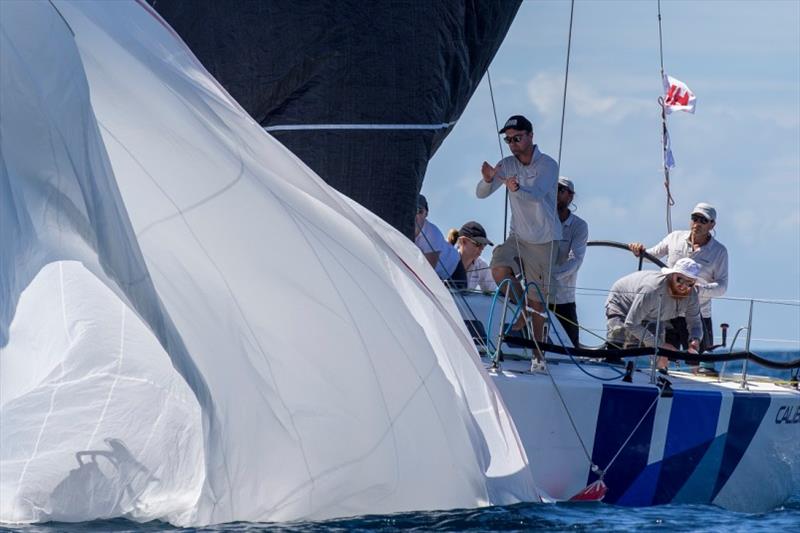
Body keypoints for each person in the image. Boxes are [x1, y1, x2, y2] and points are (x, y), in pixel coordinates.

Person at [476, 115, 561, 345]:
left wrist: (515, 187)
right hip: (518, 236)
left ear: (531, 136)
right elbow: (481, 193)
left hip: (544, 240)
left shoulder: (548, 165)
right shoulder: (507, 164)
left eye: (517, 138)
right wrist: (487, 179)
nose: (512, 143)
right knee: (498, 269)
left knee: (537, 302)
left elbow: (535, 195)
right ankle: (522, 312)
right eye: (508, 140)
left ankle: (538, 355)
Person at [628, 203, 728, 374]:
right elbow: (649, 256)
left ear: (712, 225)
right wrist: (639, 250)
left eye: (703, 220)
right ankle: (660, 381)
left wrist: (697, 290)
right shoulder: (674, 237)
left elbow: (722, 286)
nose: (697, 223)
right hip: (668, 308)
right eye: (694, 218)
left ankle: (700, 390)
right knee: (664, 353)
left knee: (698, 361)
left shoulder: (719, 251)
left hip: (698, 311)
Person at [605, 257, 703, 370]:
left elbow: (695, 323)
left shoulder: (692, 295)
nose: (684, 286)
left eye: (690, 283)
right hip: (623, 303)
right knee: (619, 336)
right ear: (672, 275)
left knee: (659, 351)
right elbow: (631, 323)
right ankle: (611, 361)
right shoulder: (652, 289)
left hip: (654, 314)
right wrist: (661, 345)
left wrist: (694, 342)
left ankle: (660, 373)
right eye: (680, 280)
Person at [549, 177, 588, 347]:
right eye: (553, 189)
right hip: (537, 297)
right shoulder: (542, 220)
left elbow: (576, 259)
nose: (555, 193)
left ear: (570, 197)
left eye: (560, 190)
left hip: (564, 300)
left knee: (572, 348)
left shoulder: (579, 226)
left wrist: (551, 276)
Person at [414, 194, 466, 285]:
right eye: (412, 210)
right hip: (438, 274)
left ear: (426, 214)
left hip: (455, 271)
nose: (415, 215)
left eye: (419, 211)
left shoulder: (432, 234)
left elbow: (427, 272)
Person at [450, 221, 497, 292]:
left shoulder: (481, 265)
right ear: (463, 241)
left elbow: (493, 291)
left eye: (484, 245)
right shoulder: (447, 260)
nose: (482, 248)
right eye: (478, 244)